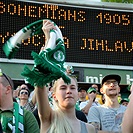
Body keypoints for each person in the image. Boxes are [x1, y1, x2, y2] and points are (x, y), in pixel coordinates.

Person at [34, 19, 96, 133]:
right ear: (54, 96)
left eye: (72, 88)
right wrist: (49, 41)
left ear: (78, 94)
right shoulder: (48, 119)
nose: (68, 91)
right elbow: (40, 85)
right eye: (63, 88)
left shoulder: (90, 129)